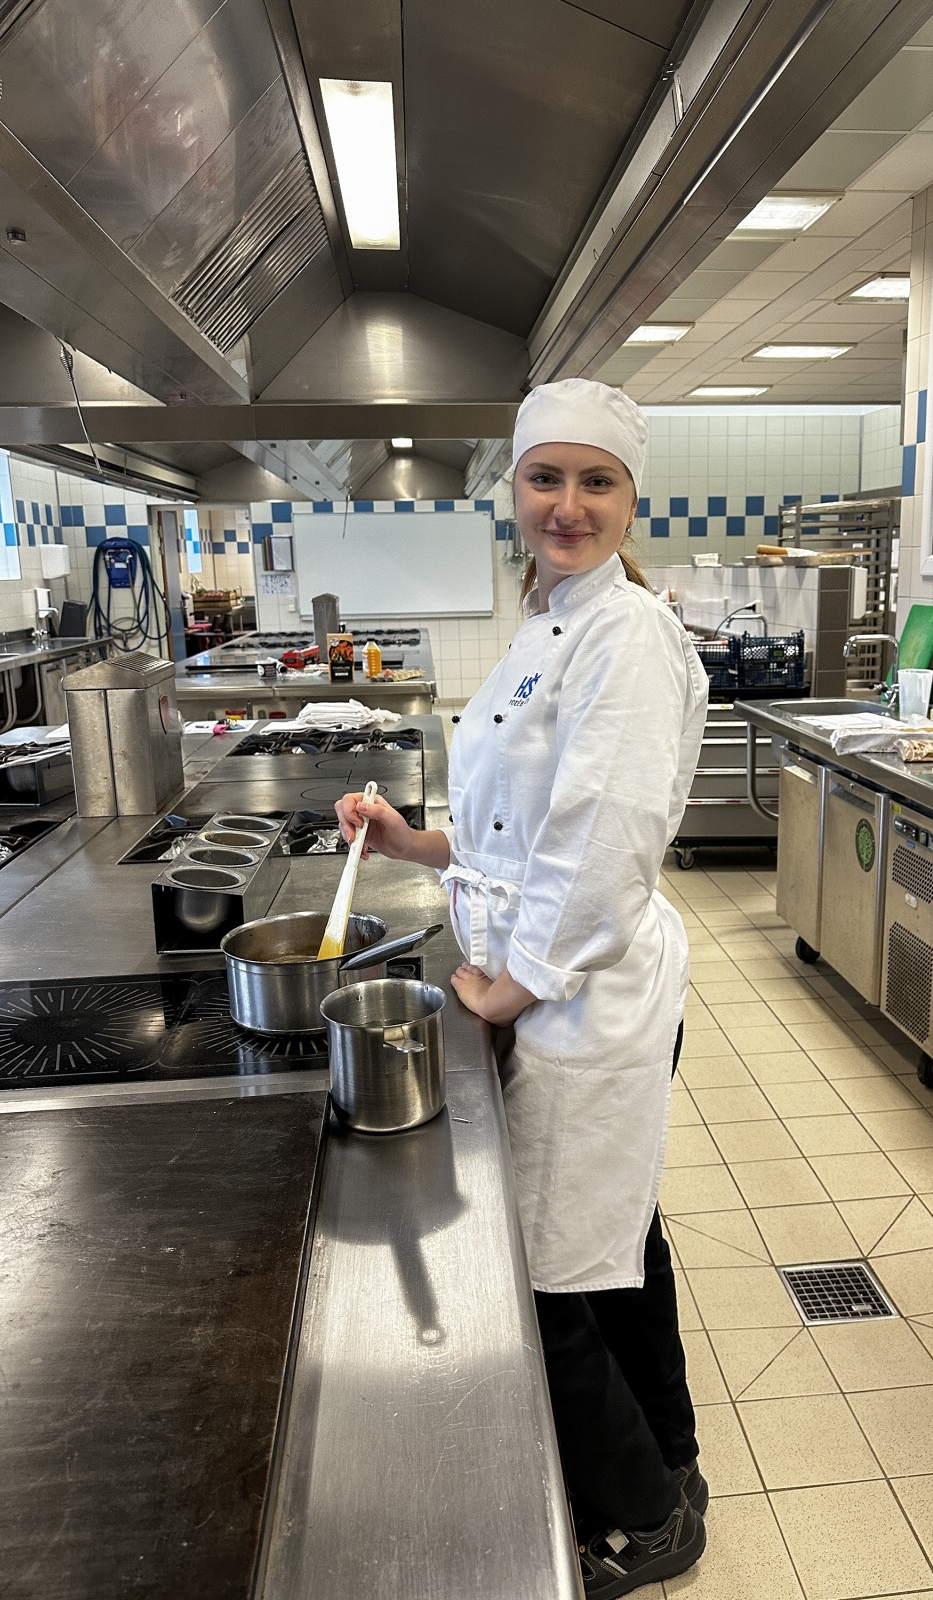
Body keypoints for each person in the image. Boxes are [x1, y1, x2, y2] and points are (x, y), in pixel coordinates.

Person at [336, 377, 710, 1598]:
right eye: (546, 478)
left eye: (596, 482)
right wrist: (416, 845)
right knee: (620, 1236)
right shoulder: (551, 615)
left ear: (631, 498)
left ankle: (647, 1520)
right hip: (554, 975)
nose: (567, 504)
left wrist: (516, 985)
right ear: (516, 490)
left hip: (583, 994)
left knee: (547, 1268)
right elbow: (522, 829)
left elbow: (606, 838)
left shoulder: (628, 634)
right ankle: (673, 1461)